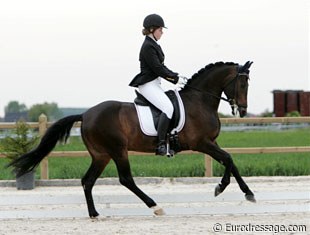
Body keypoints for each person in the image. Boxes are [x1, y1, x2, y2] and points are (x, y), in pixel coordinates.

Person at [129, 14, 185, 156]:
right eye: (160, 29)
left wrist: (175, 76)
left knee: (169, 105)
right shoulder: (148, 46)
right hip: (148, 85)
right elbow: (158, 69)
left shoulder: (153, 44)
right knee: (167, 107)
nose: (162, 32)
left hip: (154, 84)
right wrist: (174, 79)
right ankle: (161, 145)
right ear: (152, 29)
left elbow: (161, 66)